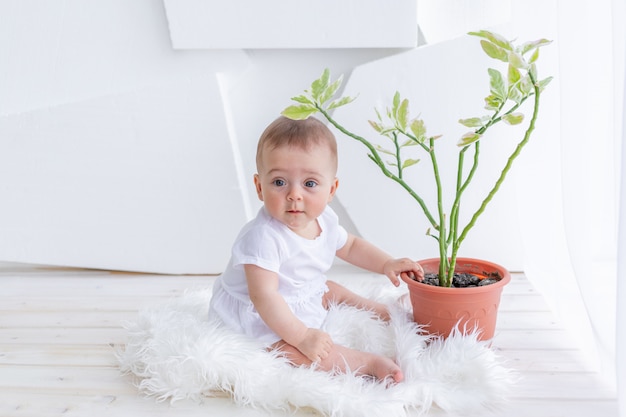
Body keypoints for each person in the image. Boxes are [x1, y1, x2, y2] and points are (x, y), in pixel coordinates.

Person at [209, 115, 424, 383]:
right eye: (279, 182)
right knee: (288, 351)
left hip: (295, 293)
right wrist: (302, 336)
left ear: (331, 189)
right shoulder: (262, 237)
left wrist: (386, 264)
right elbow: (264, 297)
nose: (294, 194)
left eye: (309, 184)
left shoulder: (324, 220)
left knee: (329, 288)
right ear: (259, 187)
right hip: (259, 312)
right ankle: (365, 363)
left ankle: (382, 312)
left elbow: (352, 246)